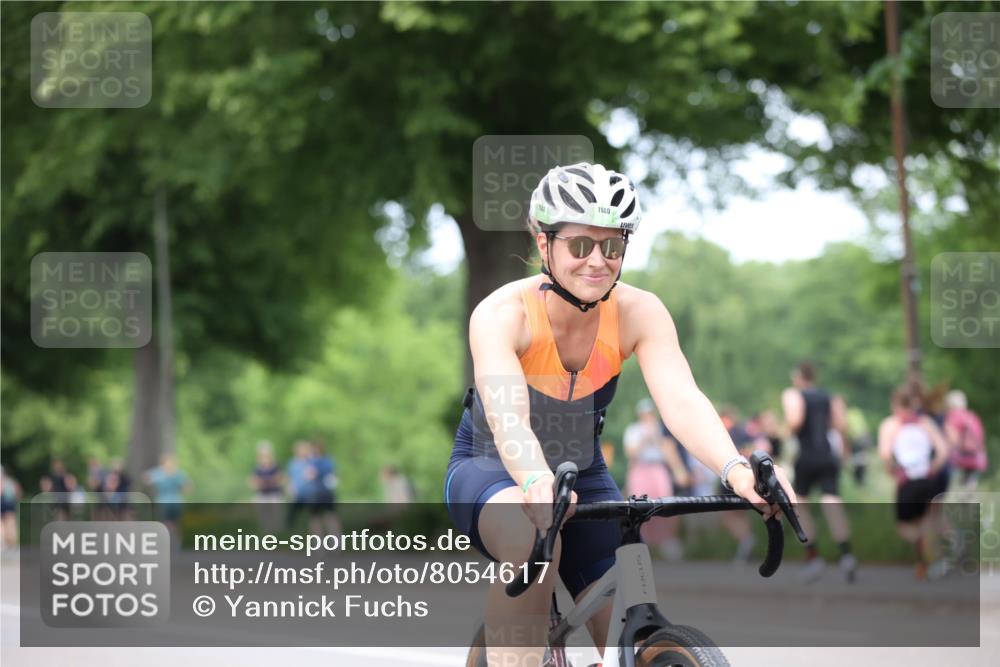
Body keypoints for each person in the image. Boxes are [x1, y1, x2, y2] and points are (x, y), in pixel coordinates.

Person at [443, 162, 795, 666]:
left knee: (630, 609)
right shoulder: (503, 315)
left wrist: (737, 470)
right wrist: (534, 479)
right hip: (493, 468)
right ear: (544, 244)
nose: (598, 262)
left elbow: (681, 399)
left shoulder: (638, 311)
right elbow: (507, 416)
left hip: (582, 473)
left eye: (613, 247)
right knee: (532, 545)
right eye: (581, 245)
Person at [782, 362, 858, 583]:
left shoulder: (793, 394)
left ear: (798, 376)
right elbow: (839, 424)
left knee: (799, 505)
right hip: (827, 455)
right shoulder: (828, 396)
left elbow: (795, 421)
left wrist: (784, 431)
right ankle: (847, 556)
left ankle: (813, 558)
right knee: (832, 502)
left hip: (806, 457)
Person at [877, 387, 950, 579]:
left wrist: (892, 470)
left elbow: (885, 454)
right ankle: (933, 559)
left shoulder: (891, 424)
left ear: (895, 405)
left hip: (907, 480)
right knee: (927, 522)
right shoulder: (925, 422)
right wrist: (932, 468)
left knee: (906, 527)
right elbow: (943, 451)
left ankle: (925, 556)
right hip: (927, 478)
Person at [623, 398, 690, 561]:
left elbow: (669, 451)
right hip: (640, 470)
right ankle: (643, 544)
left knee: (665, 505)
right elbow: (631, 454)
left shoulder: (661, 429)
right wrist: (645, 439)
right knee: (640, 507)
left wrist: (679, 471)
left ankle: (667, 543)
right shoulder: (633, 430)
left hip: (659, 469)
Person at [944, 389, 987, 491]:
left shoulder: (952, 416)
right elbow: (981, 436)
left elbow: (952, 438)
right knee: (969, 489)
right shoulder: (972, 416)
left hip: (959, 458)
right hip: (976, 458)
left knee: (953, 488)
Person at [145, 454, 192, 541]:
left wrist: (181, 484)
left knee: (176, 522)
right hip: (163, 501)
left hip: (176, 501)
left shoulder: (178, 473)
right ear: (163, 464)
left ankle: (177, 538)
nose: (169, 466)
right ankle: (166, 537)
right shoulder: (159, 473)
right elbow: (147, 479)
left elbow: (188, 486)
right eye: (167, 464)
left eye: (171, 464)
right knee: (165, 521)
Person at [250, 440, 284, 533]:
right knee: (265, 518)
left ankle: (277, 535)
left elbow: (280, 479)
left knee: (276, 517)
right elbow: (253, 482)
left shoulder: (275, 466)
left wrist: (267, 481)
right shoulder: (256, 468)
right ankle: (267, 535)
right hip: (262, 495)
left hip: (274, 494)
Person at [1, 467, 21, 550]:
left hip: (5, 505)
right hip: (10, 505)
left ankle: (7, 544)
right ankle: (10, 544)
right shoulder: (11, 481)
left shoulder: (4, 482)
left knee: (5, 525)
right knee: (10, 525)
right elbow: (19, 492)